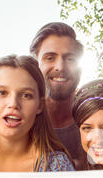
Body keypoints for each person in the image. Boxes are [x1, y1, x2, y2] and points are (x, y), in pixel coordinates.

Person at [30, 22, 84, 164]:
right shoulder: (22, 118)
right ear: (35, 65)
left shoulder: (94, 116)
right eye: (50, 58)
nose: (60, 67)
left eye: (70, 59)